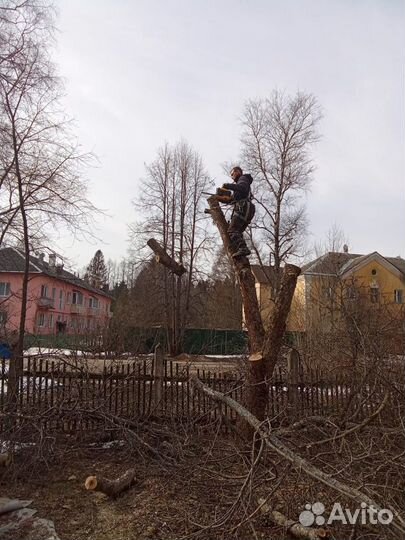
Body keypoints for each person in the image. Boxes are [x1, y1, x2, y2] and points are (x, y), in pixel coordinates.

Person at [221, 166, 255, 258]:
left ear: (238, 172)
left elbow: (242, 188)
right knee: (237, 232)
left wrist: (227, 186)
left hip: (243, 207)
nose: (232, 176)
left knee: (232, 230)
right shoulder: (241, 183)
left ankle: (243, 248)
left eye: (233, 173)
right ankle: (241, 251)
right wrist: (224, 199)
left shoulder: (243, 179)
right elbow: (236, 196)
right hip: (247, 208)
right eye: (231, 175)